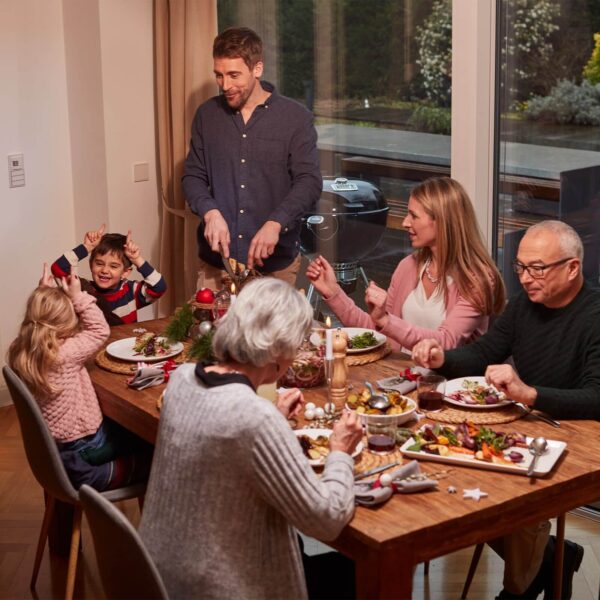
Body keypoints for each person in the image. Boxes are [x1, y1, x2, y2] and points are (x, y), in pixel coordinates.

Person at [138, 278, 362, 599]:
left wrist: (274, 419)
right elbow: (326, 520)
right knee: (361, 572)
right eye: (296, 345)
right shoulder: (255, 417)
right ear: (277, 352)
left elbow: (223, 446)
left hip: (162, 576)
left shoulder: (182, 380)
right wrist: (340, 451)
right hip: (219, 587)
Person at [412, 220, 599, 599]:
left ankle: (522, 587)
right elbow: (484, 353)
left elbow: (597, 396)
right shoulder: (526, 306)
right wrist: (441, 356)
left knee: (507, 498)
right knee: (458, 474)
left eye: (537, 268)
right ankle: (548, 557)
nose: (526, 278)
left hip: (581, 439)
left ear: (572, 268)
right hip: (531, 428)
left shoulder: (594, 316)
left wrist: (530, 394)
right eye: (520, 267)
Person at [182, 26, 322, 288]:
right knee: (209, 331)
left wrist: (275, 222)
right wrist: (210, 212)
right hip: (217, 264)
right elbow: (193, 176)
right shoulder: (207, 115)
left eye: (234, 75)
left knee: (274, 332)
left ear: (257, 68)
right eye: (219, 75)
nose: (225, 85)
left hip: (275, 268)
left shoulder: (295, 118)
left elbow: (309, 181)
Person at [306, 177, 506, 351]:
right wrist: (333, 293)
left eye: (414, 216)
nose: (405, 222)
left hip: (449, 388)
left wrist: (386, 320)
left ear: (442, 222)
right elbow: (380, 332)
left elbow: (447, 342)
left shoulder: (477, 278)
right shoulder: (408, 266)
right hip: (401, 379)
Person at [7, 264, 151, 491]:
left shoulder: (21, 350)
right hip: (87, 444)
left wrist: (42, 295)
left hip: (61, 445)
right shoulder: (63, 354)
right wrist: (76, 296)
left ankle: (91, 471)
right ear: (65, 324)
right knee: (149, 439)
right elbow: (99, 330)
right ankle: (115, 473)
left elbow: (37, 322)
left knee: (133, 435)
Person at [51, 224, 166, 325]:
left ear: (125, 272)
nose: (105, 270)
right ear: (91, 265)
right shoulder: (81, 290)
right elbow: (58, 268)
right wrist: (87, 247)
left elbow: (159, 287)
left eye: (113, 266)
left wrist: (137, 259)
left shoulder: (132, 291)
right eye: (99, 264)